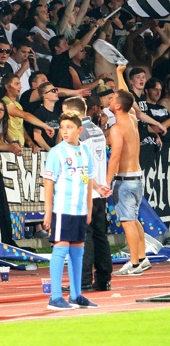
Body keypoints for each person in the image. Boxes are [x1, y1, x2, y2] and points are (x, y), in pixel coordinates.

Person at [42, 112, 99, 310]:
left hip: (80, 210)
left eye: (70, 127)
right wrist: (48, 212)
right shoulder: (56, 152)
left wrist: (89, 209)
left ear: (79, 130)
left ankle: (76, 295)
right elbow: (48, 182)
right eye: (63, 127)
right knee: (61, 248)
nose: (65, 131)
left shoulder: (85, 151)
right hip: (63, 209)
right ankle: (55, 297)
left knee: (78, 251)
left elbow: (89, 180)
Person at [61, 96, 112, 293]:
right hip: (98, 193)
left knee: (83, 237)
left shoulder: (79, 134)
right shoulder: (97, 130)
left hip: (85, 191)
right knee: (100, 236)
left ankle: (82, 281)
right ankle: (103, 278)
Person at [108, 89, 149, 276]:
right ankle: (141, 258)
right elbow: (127, 97)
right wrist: (119, 73)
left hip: (124, 180)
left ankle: (133, 264)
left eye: (112, 98)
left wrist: (107, 182)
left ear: (117, 106)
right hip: (138, 177)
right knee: (133, 219)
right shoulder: (132, 118)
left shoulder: (117, 128)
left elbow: (115, 157)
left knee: (127, 222)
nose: (110, 98)